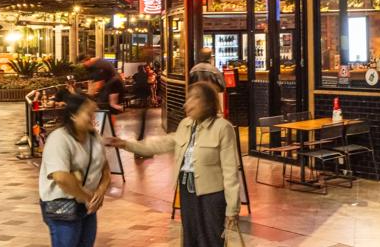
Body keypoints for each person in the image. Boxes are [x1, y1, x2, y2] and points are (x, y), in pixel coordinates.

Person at [107, 82, 240, 247]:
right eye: (188, 98)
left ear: (206, 102)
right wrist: (126, 144)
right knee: (190, 238)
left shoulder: (222, 128)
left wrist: (232, 208)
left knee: (212, 239)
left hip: (211, 195)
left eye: (193, 99)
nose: (187, 104)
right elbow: (160, 144)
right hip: (187, 191)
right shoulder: (185, 125)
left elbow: (230, 170)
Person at [39, 92, 110, 247]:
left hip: (88, 206)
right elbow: (61, 177)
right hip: (63, 207)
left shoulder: (94, 137)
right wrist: (87, 196)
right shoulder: (59, 139)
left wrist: (101, 190)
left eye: (95, 113)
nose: (94, 117)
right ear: (73, 115)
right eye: (89, 113)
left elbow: (104, 168)